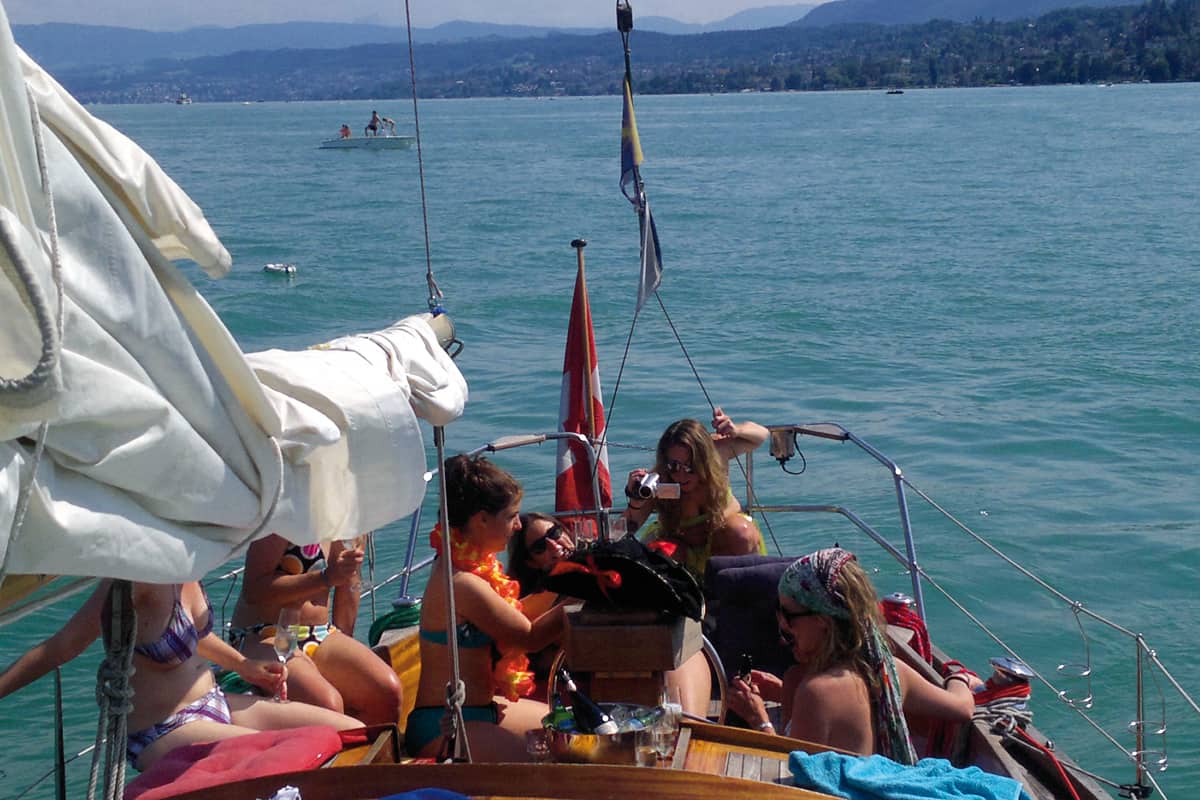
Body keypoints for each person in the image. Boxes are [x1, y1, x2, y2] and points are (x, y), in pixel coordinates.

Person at [0, 581, 362, 772]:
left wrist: (243, 665)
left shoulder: (186, 563)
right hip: (162, 729)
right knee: (286, 758)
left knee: (352, 732)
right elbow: (61, 647)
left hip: (216, 702)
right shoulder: (133, 579)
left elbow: (194, 635)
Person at [726, 548, 979, 762]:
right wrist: (959, 677)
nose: (781, 624)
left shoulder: (816, 693)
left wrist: (759, 720)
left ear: (823, 620)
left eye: (788, 616)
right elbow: (962, 708)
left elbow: (792, 776)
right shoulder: (889, 671)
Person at [407, 455, 566, 761]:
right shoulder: (461, 582)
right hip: (445, 725)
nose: (518, 526)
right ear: (481, 519)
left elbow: (512, 615)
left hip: (483, 711)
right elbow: (529, 638)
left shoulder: (473, 565)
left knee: (566, 732)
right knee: (549, 758)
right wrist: (579, 594)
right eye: (511, 516)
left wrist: (562, 584)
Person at [229, 534, 403, 725]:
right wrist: (325, 578)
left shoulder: (346, 520)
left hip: (321, 632)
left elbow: (349, 584)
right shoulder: (282, 520)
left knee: (387, 691)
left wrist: (346, 646)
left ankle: (365, 745)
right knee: (327, 704)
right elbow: (254, 590)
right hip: (265, 633)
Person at [624, 407, 769, 578]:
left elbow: (761, 434)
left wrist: (736, 430)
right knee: (662, 551)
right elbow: (628, 527)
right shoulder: (660, 478)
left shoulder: (718, 452)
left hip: (723, 542)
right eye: (674, 466)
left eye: (690, 466)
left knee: (740, 532)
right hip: (681, 550)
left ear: (704, 458)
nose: (682, 475)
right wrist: (636, 500)